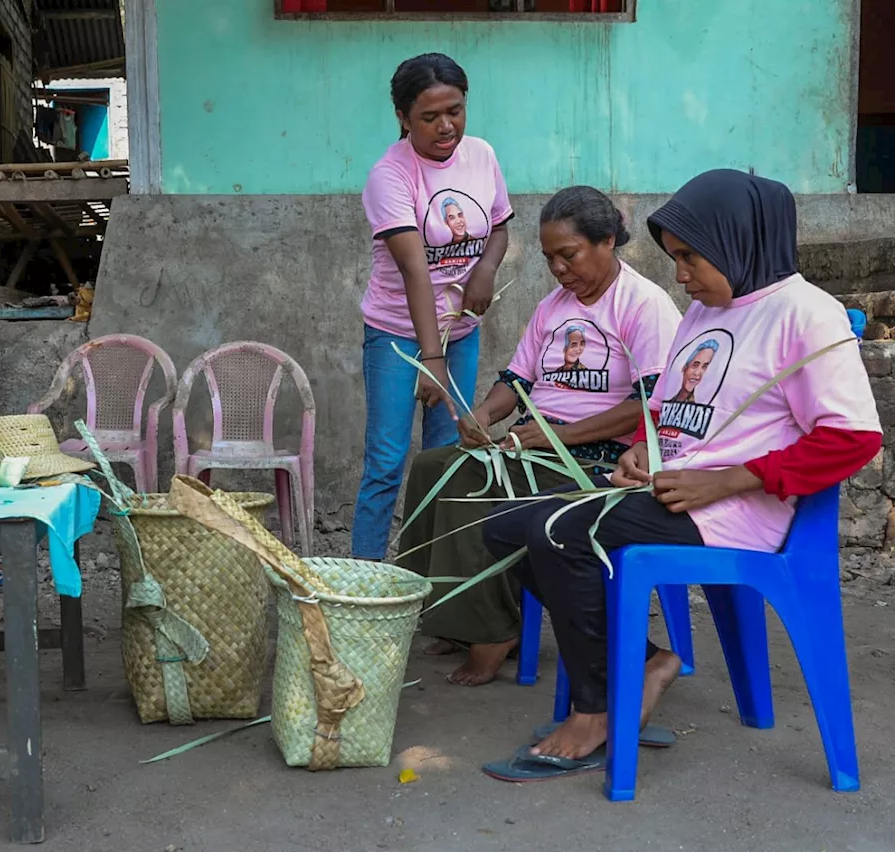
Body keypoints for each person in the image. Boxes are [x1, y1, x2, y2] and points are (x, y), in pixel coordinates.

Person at [479, 169, 882, 779]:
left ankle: (593, 710)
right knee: (504, 527)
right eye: (675, 258)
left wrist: (727, 481)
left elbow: (853, 440)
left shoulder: (805, 314)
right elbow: (665, 408)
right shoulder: (704, 311)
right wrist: (643, 449)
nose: (681, 275)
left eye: (691, 257)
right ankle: (642, 663)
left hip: (739, 509)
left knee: (561, 532)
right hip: (677, 492)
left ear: (738, 241)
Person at [400, 186, 680, 686]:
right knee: (429, 468)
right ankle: (449, 614)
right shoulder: (554, 307)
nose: (558, 269)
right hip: (537, 446)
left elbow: (648, 404)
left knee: (469, 484)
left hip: (596, 459)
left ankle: (492, 631)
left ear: (607, 240)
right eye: (550, 258)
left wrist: (556, 438)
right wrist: (482, 415)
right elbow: (516, 383)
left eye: (568, 255)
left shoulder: (643, 304)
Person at [352, 53, 513, 562]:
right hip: (400, 339)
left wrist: (485, 271)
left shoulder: (482, 155)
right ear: (403, 116)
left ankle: (432, 589)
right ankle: (365, 585)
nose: (447, 126)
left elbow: (500, 224)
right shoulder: (390, 176)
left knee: (446, 460)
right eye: (430, 117)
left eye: (456, 111)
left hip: (460, 334)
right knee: (386, 461)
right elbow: (415, 269)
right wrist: (431, 360)